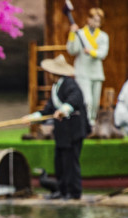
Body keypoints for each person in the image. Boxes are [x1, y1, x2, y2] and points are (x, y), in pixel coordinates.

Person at [26, 55, 90, 200]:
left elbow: (75, 98)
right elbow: (48, 109)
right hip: (62, 132)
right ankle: (61, 191)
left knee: (71, 163)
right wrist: (33, 118)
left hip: (73, 131)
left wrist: (64, 110)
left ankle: (74, 193)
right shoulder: (56, 87)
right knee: (60, 162)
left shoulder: (70, 84)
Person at [66, 8, 108, 125]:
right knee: (87, 100)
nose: (96, 23)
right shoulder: (80, 33)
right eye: (94, 20)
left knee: (95, 102)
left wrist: (91, 52)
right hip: (83, 72)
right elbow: (72, 50)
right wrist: (72, 34)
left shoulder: (103, 36)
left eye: (98, 21)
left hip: (96, 73)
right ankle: (87, 123)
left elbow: (103, 53)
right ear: (88, 19)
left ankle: (92, 121)